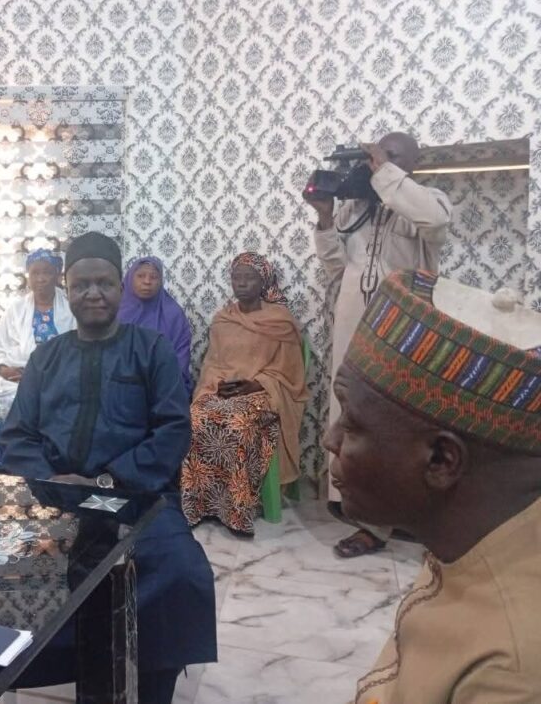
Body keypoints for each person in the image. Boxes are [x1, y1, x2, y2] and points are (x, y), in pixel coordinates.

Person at [1, 231, 217, 704]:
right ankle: (46, 673)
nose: (93, 293)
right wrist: (53, 480)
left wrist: (105, 481)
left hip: (133, 496)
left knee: (179, 573)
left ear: (120, 287)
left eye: (103, 283)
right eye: (81, 285)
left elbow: (173, 429)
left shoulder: (151, 348)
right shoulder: (46, 357)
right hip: (55, 497)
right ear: (67, 289)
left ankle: (153, 687)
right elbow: (17, 436)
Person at [327, 271, 541, 704]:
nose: (331, 440)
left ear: (442, 461)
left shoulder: (511, 669)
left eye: (351, 422)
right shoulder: (469, 535)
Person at [307, 132, 453, 557]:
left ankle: (389, 520)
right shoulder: (357, 209)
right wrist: (325, 219)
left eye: (391, 157)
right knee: (354, 419)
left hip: (401, 333)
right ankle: (361, 512)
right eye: (377, 155)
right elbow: (337, 268)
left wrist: (382, 171)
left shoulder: (430, 201)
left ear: (411, 165)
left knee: (393, 427)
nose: (378, 162)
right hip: (354, 329)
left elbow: (435, 223)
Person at [181, 252, 308, 534]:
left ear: (263, 282)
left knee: (238, 424)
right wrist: (218, 383)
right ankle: (200, 504)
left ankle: (236, 509)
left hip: (263, 393)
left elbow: (289, 372)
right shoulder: (223, 319)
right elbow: (213, 363)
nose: (241, 283)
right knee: (195, 418)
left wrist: (255, 384)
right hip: (223, 390)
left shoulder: (280, 321)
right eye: (236, 277)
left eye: (248, 277)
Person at [0, 249, 75, 470]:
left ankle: (37, 464)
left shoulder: (70, 307)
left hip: (55, 377)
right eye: (35, 273)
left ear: (58, 275)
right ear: (28, 275)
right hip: (15, 374)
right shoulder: (17, 308)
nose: (40, 279)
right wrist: (3, 369)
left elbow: (76, 351)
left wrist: (41, 373)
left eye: (47, 272)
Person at [117, 256, 193, 392]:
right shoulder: (115, 312)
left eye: (154, 277)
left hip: (164, 387)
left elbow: (180, 360)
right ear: (130, 278)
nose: (147, 281)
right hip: (120, 386)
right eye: (141, 276)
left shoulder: (173, 315)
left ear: (161, 281)